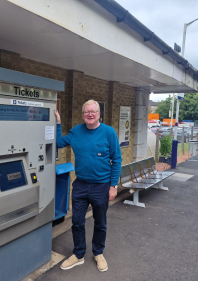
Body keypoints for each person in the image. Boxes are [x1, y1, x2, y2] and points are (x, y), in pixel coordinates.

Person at [55, 99, 122, 272]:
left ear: (99, 114)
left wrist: (113, 185)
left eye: (93, 111)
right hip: (80, 185)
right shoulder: (76, 131)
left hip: (101, 186)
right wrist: (57, 123)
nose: (90, 114)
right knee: (77, 222)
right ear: (83, 114)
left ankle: (98, 253)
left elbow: (117, 159)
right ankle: (78, 255)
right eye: (86, 112)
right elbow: (59, 143)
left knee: (100, 222)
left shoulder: (109, 132)